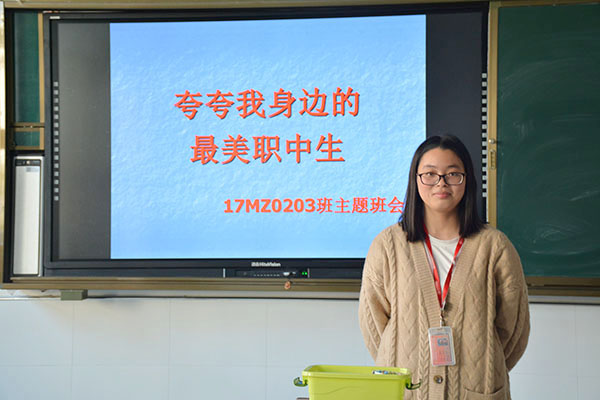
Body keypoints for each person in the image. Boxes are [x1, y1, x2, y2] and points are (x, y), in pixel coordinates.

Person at [359, 135, 530, 400]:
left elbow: (513, 329)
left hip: (477, 391)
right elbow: (374, 324)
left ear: (467, 179)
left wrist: (483, 363)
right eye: (430, 174)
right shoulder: (387, 245)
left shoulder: (495, 247)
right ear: (415, 180)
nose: (441, 183)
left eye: (452, 174)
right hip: (405, 392)